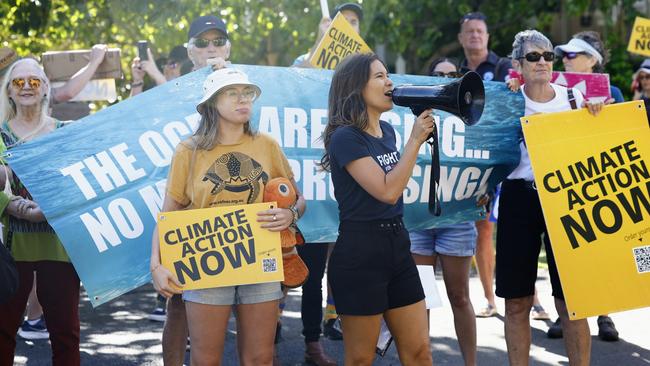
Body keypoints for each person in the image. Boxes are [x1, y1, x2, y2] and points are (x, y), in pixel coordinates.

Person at [149, 67, 305, 365]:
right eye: (231, 93)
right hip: (208, 264)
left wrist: (291, 215)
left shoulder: (267, 145)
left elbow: (297, 199)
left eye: (246, 93)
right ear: (212, 104)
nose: (242, 99)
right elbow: (168, 215)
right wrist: (155, 264)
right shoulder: (188, 151)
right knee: (205, 360)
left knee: (260, 359)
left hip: (260, 261)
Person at [496, 29, 603, 366]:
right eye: (533, 57)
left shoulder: (574, 99)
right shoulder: (506, 99)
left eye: (547, 56)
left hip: (567, 198)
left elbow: (596, 150)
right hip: (519, 197)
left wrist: (596, 118)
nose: (542, 62)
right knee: (516, 301)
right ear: (518, 64)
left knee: (572, 301)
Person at [321, 53, 433, 365]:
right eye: (380, 76)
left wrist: (411, 141)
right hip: (360, 253)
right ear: (356, 88)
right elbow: (387, 190)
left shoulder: (388, 132)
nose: (390, 82)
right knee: (361, 358)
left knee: (420, 351)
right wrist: (415, 141)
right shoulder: (345, 138)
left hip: (397, 246)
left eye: (388, 74)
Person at [0, 58, 81, 366]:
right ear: (9, 90)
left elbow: (80, 183)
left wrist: (51, 208)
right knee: (3, 332)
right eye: (18, 82)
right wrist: (7, 204)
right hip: (10, 249)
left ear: (46, 88)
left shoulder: (65, 133)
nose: (26, 87)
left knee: (65, 335)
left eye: (33, 81)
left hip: (59, 248)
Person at [547, 30, 622, 342]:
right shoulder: (551, 90)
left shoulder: (612, 92)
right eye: (563, 55)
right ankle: (566, 312)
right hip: (563, 179)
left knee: (596, 248)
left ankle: (604, 313)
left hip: (596, 180)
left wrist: (601, 114)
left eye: (572, 54)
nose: (565, 59)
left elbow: (619, 136)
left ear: (592, 60)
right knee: (565, 250)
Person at [408, 57, 477, 366]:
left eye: (453, 76)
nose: (447, 80)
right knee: (421, 298)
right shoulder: (413, 117)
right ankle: (424, 360)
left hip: (458, 218)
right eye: (440, 75)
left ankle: (470, 363)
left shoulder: (473, 116)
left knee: (459, 296)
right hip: (419, 219)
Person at [457, 11, 511, 319]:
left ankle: (525, 295)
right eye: (470, 31)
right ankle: (491, 298)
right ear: (461, 38)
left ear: (487, 37)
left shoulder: (504, 67)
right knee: (483, 229)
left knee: (513, 227)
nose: (475, 35)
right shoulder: (456, 72)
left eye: (480, 31)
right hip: (471, 160)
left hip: (504, 156)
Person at [293, 2, 362, 67]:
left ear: (359, 31)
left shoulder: (367, 65)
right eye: (343, 21)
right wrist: (320, 41)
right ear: (332, 27)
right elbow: (293, 77)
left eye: (353, 22)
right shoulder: (304, 59)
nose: (348, 26)